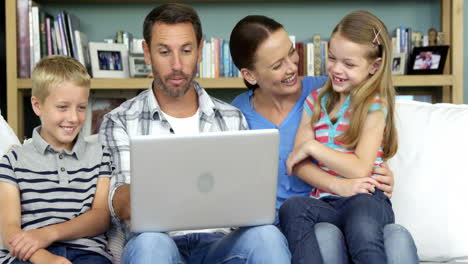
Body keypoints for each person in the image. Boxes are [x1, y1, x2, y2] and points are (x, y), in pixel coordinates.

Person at [98, 3, 291, 264]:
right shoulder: (119, 120)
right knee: (150, 243)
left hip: (220, 245)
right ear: (146, 52)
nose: (177, 65)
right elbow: (118, 204)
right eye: (164, 52)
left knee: (267, 236)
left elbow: (247, 203)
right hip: (157, 242)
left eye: (186, 51)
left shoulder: (231, 118)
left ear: (200, 50)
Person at [229, 15, 417, 264]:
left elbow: (363, 153)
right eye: (277, 65)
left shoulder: (330, 89)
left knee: (381, 233)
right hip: (293, 217)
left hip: (353, 201)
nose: (291, 67)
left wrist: (379, 171)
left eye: (291, 53)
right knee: (297, 215)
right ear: (250, 75)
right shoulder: (236, 114)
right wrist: (340, 185)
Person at [0, 55, 113, 264]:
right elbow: (8, 229)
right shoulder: (13, 161)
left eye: (81, 107)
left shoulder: (100, 155)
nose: (73, 117)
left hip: (87, 254)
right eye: (62, 107)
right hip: (29, 256)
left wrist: (48, 234)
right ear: (37, 106)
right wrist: (44, 258)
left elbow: (100, 217)